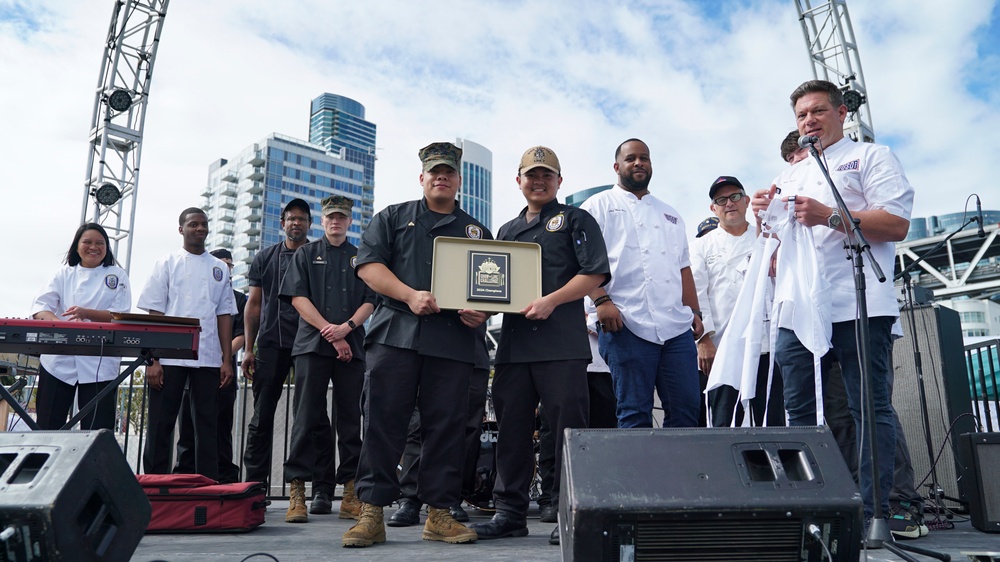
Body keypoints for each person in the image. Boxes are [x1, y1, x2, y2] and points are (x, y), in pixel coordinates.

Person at [750, 79, 914, 529]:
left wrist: (829, 215)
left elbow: (896, 224)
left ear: (843, 113)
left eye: (818, 111)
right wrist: (763, 217)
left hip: (859, 302)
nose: (809, 121)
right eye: (802, 115)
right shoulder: (790, 173)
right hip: (799, 307)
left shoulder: (872, 156)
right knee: (798, 408)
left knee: (869, 406)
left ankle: (872, 511)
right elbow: (777, 242)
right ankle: (809, 507)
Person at [342, 142, 490, 548]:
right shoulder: (392, 217)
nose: (441, 177)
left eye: (449, 172)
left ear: (459, 180)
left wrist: (483, 313)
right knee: (383, 424)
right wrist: (409, 295)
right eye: (434, 171)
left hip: (453, 342)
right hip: (396, 335)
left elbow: (491, 289)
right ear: (421, 177)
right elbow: (369, 268)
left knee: (447, 428)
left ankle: (440, 513)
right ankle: (372, 513)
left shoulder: (476, 230)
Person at [471, 146, 610, 545]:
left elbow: (596, 272)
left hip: (562, 346)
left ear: (559, 181)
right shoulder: (507, 232)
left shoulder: (575, 219)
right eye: (531, 174)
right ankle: (509, 513)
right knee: (511, 432)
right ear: (519, 181)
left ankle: (571, 513)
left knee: (570, 433)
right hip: (514, 348)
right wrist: (479, 310)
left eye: (547, 174)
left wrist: (551, 300)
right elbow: (494, 288)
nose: (539, 180)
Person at [580, 138, 704, 429]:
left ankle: (681, 476)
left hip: (675, 327)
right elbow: (582, 260)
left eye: (644, 158)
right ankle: (641, 476)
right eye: (631, 158)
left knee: (687, 410)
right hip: (625, 323)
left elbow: (682, 266)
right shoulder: (596, 206)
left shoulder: (670, 213)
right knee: (634, 413)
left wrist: (695, 312)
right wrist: (601, 301)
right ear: (616, 166)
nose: (639, 163)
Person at [281, 195, 376, 524]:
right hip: (312, 344)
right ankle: (297, 492)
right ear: (322, 221)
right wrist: (330, 332)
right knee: (305, 418)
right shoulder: (306, 254)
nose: (336, 221)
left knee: (351, 420)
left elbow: (370, 301)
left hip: (352, 345)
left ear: (350, 222)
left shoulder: (361, 257)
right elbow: (297, 298)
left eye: (342, 217)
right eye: (331, 217)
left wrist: (346, 329)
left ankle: (350, 491)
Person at [139, 207, 237, 480]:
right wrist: (153, 359)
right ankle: (154, 484)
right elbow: (155, 313)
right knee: (161, 423)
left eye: (204, 224)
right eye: (193, 224)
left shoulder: (219, 268)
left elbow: (224, 315)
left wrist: (226, 360)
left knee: (207, 425)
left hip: (207, 356)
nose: (200, 229)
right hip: (169, 355)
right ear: (181, 229)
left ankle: (207, 483)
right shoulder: (166, 263)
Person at [693, 176, 784, 428]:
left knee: (772, 420)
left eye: (734, 197)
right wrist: (704, 341)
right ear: (713, 208)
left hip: (766, 342)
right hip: (723, 347)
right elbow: (696, 295)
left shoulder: (766, 238)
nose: (729, 204)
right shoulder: (700, 246)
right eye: (720, 200)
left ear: (746, 201)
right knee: (724, 422)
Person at [30, 223, 131, 430]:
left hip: (100, 362)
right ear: (77, 246)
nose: (93, 247)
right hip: (58, 360)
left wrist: (86, 314)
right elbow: (40, 308)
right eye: (87, 242)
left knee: (97, 431)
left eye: (99, 243)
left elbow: (120, 315)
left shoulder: (117, 275)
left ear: (106, 248)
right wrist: (65, 328)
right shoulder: (62, 274)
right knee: (48, 426)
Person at [241, 198, 311, 488]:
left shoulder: (317, 256)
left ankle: (311, 487)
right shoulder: (264, 258)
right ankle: (255, 485)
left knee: (309, 417)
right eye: (291, 218)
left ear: (309, 224)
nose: (296, 223)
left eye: (302, 219)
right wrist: (248, 348)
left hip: (309, 344)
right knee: (261, 417)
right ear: (282, 223)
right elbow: (254, 304)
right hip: (271, 343)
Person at [389, 329, 490, 527]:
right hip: (428, 347)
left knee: (466, 430)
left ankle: (451, 498)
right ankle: (410, 498)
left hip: (472, 350)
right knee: (418, 426)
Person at [173, 248, 247, 483]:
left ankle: (223, 481)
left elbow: (241, 335)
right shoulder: (193, 293)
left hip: (222, 374)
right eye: (221, 263)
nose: (226, 267)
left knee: (221, 431)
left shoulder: (239, 299)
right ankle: (184, 478)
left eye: (229, 264)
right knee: (187, 430)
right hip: (191, 371)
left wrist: (221, 356)